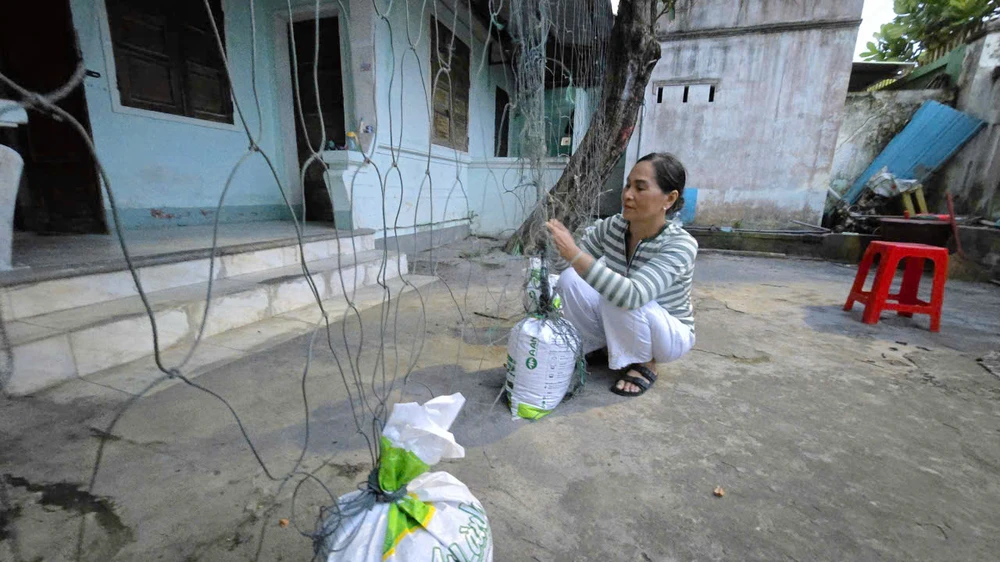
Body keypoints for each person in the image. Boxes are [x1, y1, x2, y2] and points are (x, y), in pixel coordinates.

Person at [546, 152, 697, 397]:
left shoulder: (680, 245)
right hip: (627, 315)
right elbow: (571, 269)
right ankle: (596, 347)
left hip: (668, 335)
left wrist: (573, 253)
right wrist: (557, 246)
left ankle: (644, 362)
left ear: (669, 199)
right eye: (628, 185)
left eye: (640, 188)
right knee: (571, 280)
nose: (627, 194)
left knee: (618, 294)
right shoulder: (613, 227)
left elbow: (632, 296)